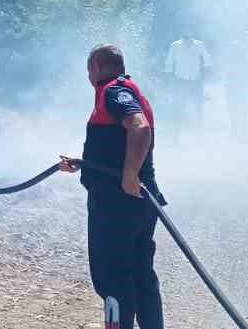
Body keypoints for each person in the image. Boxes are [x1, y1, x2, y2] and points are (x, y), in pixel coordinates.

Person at [61, 44, 164, 329]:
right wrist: (82, 163)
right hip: (138, 200)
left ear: (95, 67)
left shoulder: (113, 92)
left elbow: (139, 127)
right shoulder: (125, 89)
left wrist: (130, 174)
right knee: (141, 275)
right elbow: (115, 146)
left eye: (88, 70)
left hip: (118, 203)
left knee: (113, 278)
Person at [165, 33, 212, 135]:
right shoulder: (175, 45)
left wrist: (205, 75)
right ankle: (176, 134)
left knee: (198, 107)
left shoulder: (199, 44)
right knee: (178, 107)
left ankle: (201, 134)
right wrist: (169, 78)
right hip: (180, 81)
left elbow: (207, 61)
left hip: (195, 80)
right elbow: (169, 62)